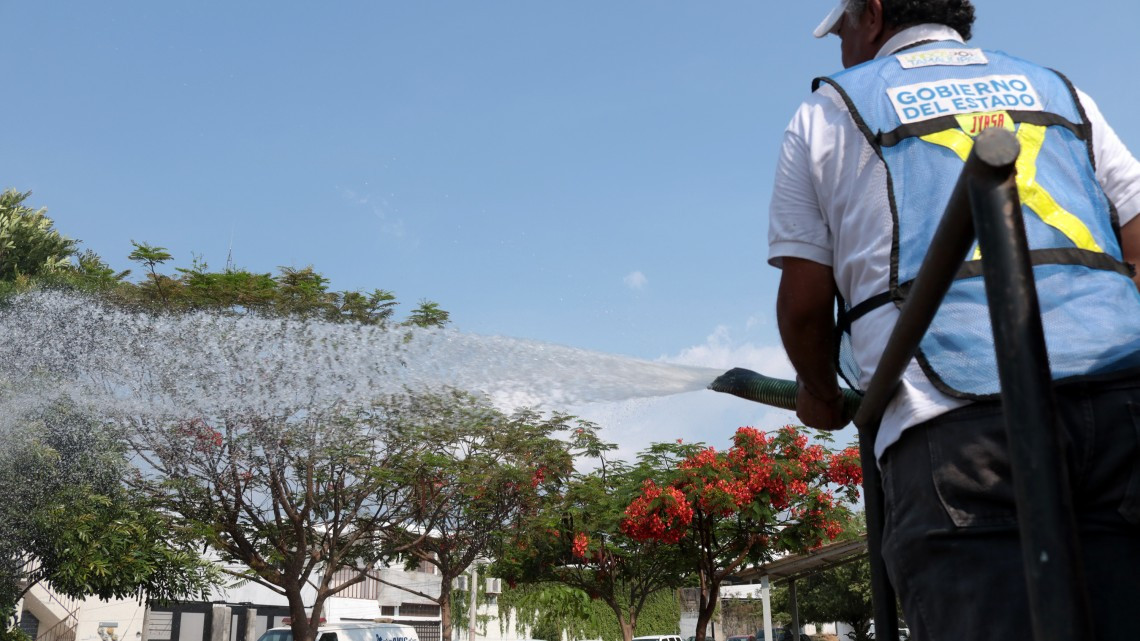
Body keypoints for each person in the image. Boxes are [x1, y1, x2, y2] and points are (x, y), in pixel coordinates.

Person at [767, 0, 1140, 639]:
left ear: (874, 13)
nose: (841, 50)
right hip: (1122, 402)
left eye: (843, 31)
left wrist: (821, 394)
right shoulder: (1056, 87)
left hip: (953, 427)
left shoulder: (830, 109)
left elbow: (804, 305)